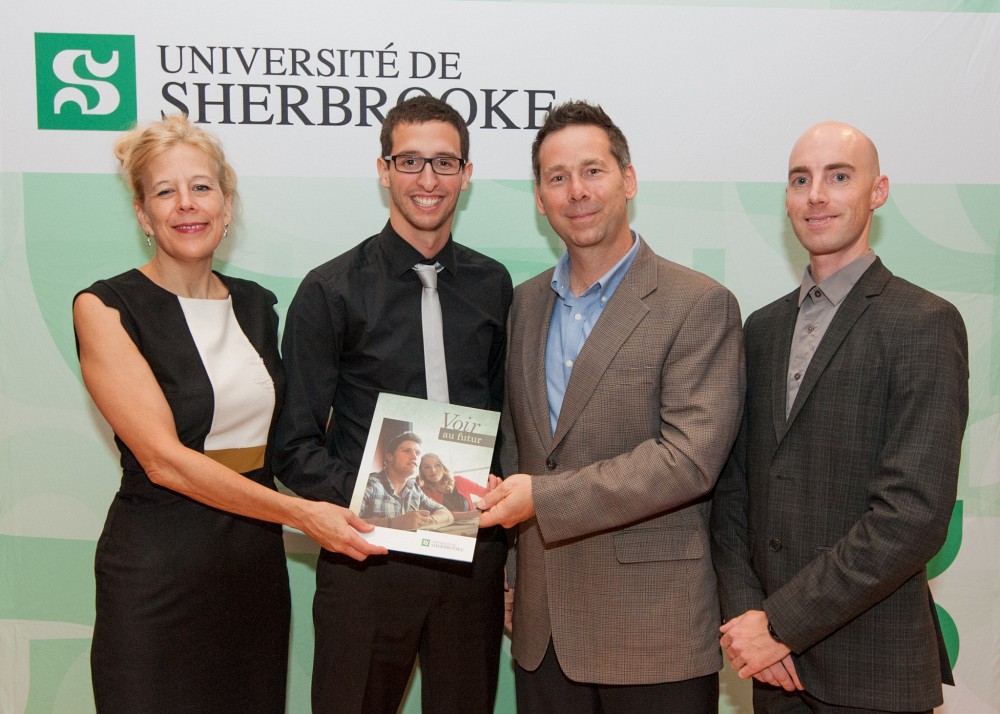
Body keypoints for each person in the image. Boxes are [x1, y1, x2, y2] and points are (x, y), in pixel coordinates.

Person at [73, 115, 383, 713]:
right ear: (142, 213)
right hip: (157, 573)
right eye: (165, 191)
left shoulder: (258, 306)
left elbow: (295, 438)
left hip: (252, 574)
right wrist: (301, 513)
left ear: (227, 202)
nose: (187, 204)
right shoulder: (107, 307)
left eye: (202, 187)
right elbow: (166, 462)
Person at [477, 100, 744, 713]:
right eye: (556, 177)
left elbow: (689, 460)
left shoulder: (698, 303)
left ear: (628, 179)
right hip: (542, 634)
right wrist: (516, 572)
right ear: (540, 199)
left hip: (653, 630)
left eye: (592, 171)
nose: (577, 191)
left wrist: (542, 499)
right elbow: (522, 446)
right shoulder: (522, 307)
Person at [710, 121, 969, 713]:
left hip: (872, 675)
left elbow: (913, 515)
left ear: (877, 192)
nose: (816, 195)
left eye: (838, 177)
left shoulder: (924, 322)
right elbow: (734, 495)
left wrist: (779, 623)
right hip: (773, 674)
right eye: (800, 180)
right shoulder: (763, 328)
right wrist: (751, 621)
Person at [273, 95, 513, 714]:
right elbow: (292, 446)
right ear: (383, 169)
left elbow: (506, 421)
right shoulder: (330, 290)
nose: (427, 180)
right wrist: (378, 501)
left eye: (444, 163)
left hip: (471, 558)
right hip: (366, 560)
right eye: (409, 161)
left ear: (466, 173)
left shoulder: (494, 285)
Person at [360, 432, 453, 529]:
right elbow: (347, 522)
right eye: (407, 451)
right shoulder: (369, 484)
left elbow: (445, 512)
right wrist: (394, 523)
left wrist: (430, 521)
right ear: (390, 456)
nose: (414, 457)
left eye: (417, 453)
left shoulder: (414, 488)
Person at [418, 452, 488, 517]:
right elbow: (442, 513)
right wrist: (474, 514)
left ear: (443, 467)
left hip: (472, 525)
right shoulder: (423, 491)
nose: (433, 470)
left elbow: (486, 493)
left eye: (437, 465)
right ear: (422, 472)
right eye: (427, 467)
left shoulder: (459, 480)